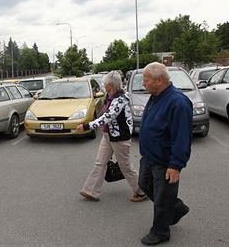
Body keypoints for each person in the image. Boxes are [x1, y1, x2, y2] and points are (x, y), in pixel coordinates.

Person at [138, 62, 192, 246]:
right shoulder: (155, 96)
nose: (143, 84)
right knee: (144, 185)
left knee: (161, 199)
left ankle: (160, 232)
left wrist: (175, 165)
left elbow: (182, 137)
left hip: (165, 161)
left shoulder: (178, 102)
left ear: (159, 80)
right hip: (149, 157)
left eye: (145, 80)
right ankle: (176, 208)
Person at [77, 71, 147, 203]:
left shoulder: (120, 99)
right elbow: (103, 114)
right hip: (108, 135)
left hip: (120, 138)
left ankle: (142, 191)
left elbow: (108, 116)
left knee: (125, 166)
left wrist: (87, 126)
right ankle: (91, 191)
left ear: (110, 85)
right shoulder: (109, 97)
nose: (103, 86)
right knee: (100, 163)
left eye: (105, 83)